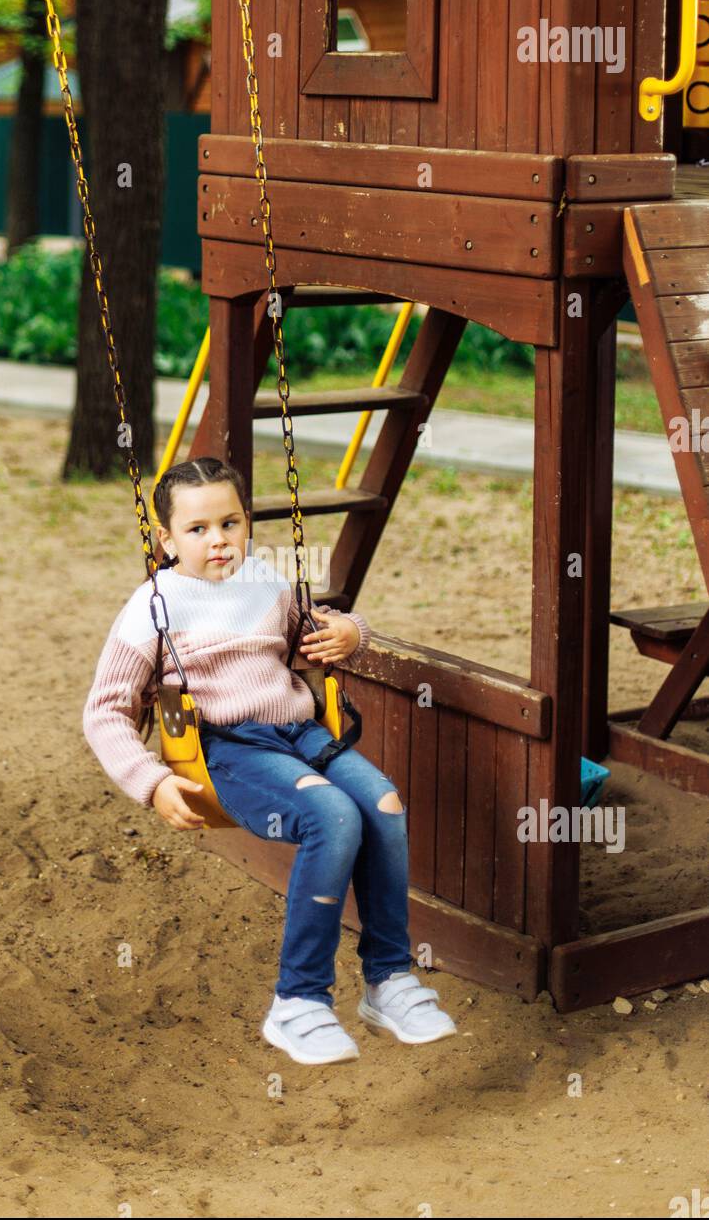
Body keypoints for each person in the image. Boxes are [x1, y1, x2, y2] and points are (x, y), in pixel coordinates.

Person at [82, 456, 457, 1065]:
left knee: (383, 804)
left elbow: (318, 632)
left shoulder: (266, 582)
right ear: (166, 538)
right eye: (198, 529)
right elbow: (104, 712)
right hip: (228, 750)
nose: (218, 540)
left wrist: (352, 635)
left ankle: (387, 979)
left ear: (247, 522)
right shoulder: (153, 607)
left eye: (230, 523)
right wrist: (151, 783)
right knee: (333, 817)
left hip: (301, 732)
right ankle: (299, 1001)